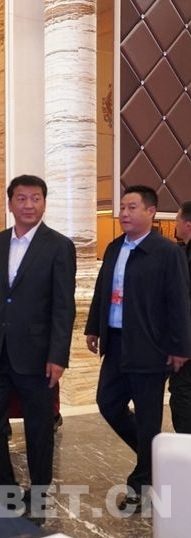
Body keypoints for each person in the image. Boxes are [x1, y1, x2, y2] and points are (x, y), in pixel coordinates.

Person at [0, 174, 76, 523]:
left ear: (44, 203)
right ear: (10, 203)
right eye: (21, 198)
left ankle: (39, 499)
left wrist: (58, 355)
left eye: (35, 198)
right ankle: (7, 496)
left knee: (39, 432)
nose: (29, 205)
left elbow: (64, 306)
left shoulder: (59, 246)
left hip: (38, 354)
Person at [86, 185, 191, 513]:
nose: (124, 213)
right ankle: (155, 460)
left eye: (132, 207)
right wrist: (93, 326)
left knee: (148, 419)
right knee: (108, 403)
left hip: (151, 346)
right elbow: (102, 289)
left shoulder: (167, 252)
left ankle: (141, 483)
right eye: (122, 207)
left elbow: (179, 302)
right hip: (116, 342)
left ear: (150, 212)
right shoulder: (115, 247)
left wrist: (181, 346)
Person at [171, 201, 191, 433]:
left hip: (186, 339)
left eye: (177, 220)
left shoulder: (181, 257)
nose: (175, 224)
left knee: (181, 391)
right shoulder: (181, 253)